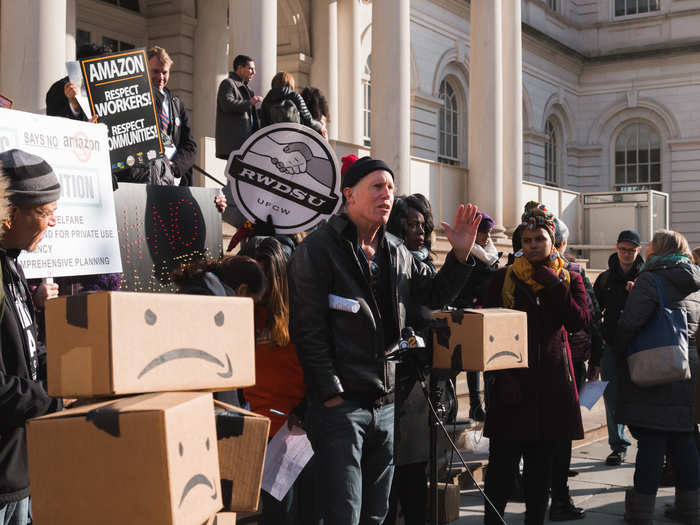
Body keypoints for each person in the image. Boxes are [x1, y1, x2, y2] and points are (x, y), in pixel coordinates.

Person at [288, 155, 481, 525]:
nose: (387, 195)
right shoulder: (318, 249)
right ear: (350, 195)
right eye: (377, 186)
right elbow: (308, 331)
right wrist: (331, 395)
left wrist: (459, 254)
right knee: (344, 513)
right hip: (341, 406)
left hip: (387, 402)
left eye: (391, 187)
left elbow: (434, 294)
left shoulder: (397, 250)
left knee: (377, 513)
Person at [482, 201, 589, 525]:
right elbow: (487, 327)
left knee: (540, 470)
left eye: (539, 239)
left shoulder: (569, 277)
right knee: (501, 467)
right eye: (526, 240)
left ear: (551, 239)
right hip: (511, 387)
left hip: (551, 389)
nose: (532, 246)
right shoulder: (504, 278)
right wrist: (503, 377)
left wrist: (553, 284)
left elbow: (578, 320)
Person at [615, 230, 700, 524]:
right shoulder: (694, 281)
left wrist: (617, 342)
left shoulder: (651, 279)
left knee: (651, 441)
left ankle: (640, 513)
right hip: (686, 368)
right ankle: (691, 509)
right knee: (685, 440)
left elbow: (630, 323)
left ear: (659, 249)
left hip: (655, 366)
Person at [0, 149, 62, 525]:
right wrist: (51, 398)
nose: (53, 222)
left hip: (20, 470)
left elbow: (23, 356)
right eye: (44, 212)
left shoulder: (12, 265)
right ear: (9, 216)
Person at [240, 237, 311, 525]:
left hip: (294, 431)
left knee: (292, 514)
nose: (258, 284)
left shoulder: (301, 311)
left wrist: (305, 410)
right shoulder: (242, 307)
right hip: (254, 425)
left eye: (264, 275)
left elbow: (319, 364)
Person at [548, 217, 602, 521]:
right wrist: (596, 356)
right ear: (563, 243)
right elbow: (591, 318)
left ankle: (548, 495)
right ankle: (559, 499)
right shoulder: (573, 271)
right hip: (567, 362)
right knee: (562, 431)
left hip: (541, 364)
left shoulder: (516, 273)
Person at [592, 230, 643, 466]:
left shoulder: (646, 278)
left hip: (640, 346)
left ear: (638, 251)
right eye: (623, 249)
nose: (626, 254)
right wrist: (599, 338)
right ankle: (618, 445)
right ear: (616, 248)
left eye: (631, 250)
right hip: (611, 345)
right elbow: (593, 311)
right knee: (611, 397)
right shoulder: (604, 279)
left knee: (641, 396)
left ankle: (646, 443)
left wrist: (638, 294)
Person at [453, 211, 499, 422]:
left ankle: (490, 404)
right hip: (471, 313)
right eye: (483, 232)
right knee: (473, 363)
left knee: (489, 363)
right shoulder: (469, 253)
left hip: (489, 313)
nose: (487, 236)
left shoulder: (490, 252)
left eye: (488, 232)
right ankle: (475, 404)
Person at [145, 46, 197, 186]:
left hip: (173, 179)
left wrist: (174, 167)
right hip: (147, 176)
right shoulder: (136, 100)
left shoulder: (177, 103)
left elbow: (190, 145)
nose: (161, 77)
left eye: (165, 72)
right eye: (155, 71)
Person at [45, 43, 111, 121]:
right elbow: (54, 123)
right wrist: (74, 106)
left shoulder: (108, 89)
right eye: (102, 66)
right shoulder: (59, 88)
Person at [215, 54, 262, 160]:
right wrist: (250, 102)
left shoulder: (247, 89)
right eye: (250, 68)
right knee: (234, 175)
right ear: (240, 68)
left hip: (246, 144)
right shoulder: (228, 83)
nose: (254, 72)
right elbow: (227, 104)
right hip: (235, 144)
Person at [260, 72, 326, 137]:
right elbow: (309, 121)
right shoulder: (295, 97)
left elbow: (263, 125)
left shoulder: (267, 100)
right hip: (293, 139)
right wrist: (320, 125)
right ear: (290, 83)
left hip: (273, 139)